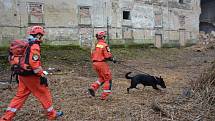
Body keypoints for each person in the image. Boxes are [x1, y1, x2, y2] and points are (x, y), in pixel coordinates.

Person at [0, 26, 63, 121]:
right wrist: (41, 75)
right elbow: (34, 64)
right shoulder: (34, 46)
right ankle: (52, 114)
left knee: (20, 96)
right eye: (41, 35)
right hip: (31, 76)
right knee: (44, 93)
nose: (42, 38)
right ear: (38, 35)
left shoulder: (27, 43)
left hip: (22, 75)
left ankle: (6, 118)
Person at [88, 31, 116, 100]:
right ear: (103, 37)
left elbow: (94, 55)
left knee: (102, 78)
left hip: (95, 64)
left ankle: (93, 87)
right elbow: (107, 56)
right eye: (105, 37)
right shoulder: (104, 45)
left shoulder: (95, 45)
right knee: (108, 79)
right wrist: (113, 59)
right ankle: (104, 96)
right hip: (101, 64)